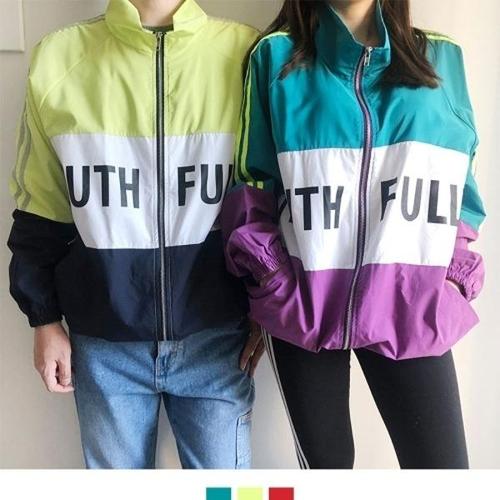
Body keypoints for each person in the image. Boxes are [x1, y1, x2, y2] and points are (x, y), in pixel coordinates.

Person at [221, 0, 486, 469]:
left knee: (443, 471)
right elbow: (252, 184)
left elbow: (460, 185)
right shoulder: (275, 56)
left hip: (411, 301)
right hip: (304, 306)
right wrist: (272, 282)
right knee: (327, 474)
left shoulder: (442, 57)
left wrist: (453, 279)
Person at [7, 0, 264, 469]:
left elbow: (267, 200)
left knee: (228, 493)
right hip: (104, 347)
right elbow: (40, 206)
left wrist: (269, 307)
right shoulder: (58, 59)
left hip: (216, 340)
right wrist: (42, 318)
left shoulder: (248, 54)